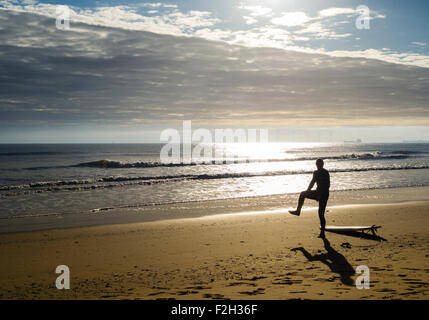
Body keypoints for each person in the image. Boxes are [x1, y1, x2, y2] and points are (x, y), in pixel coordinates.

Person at [289, 158, 330, 238]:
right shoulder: (315, 172)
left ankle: (322, 233)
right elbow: (312, 183)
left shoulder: (325, 172)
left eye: (320, 164)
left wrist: (320, 195)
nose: (318, 165)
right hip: (317, 192)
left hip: (324, 194)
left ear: (322, 164)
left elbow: (327, 186)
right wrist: (308, 191)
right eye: (317, 164)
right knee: (303, 194)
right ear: (316, 165)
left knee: (321, 213)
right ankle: (298, 211)